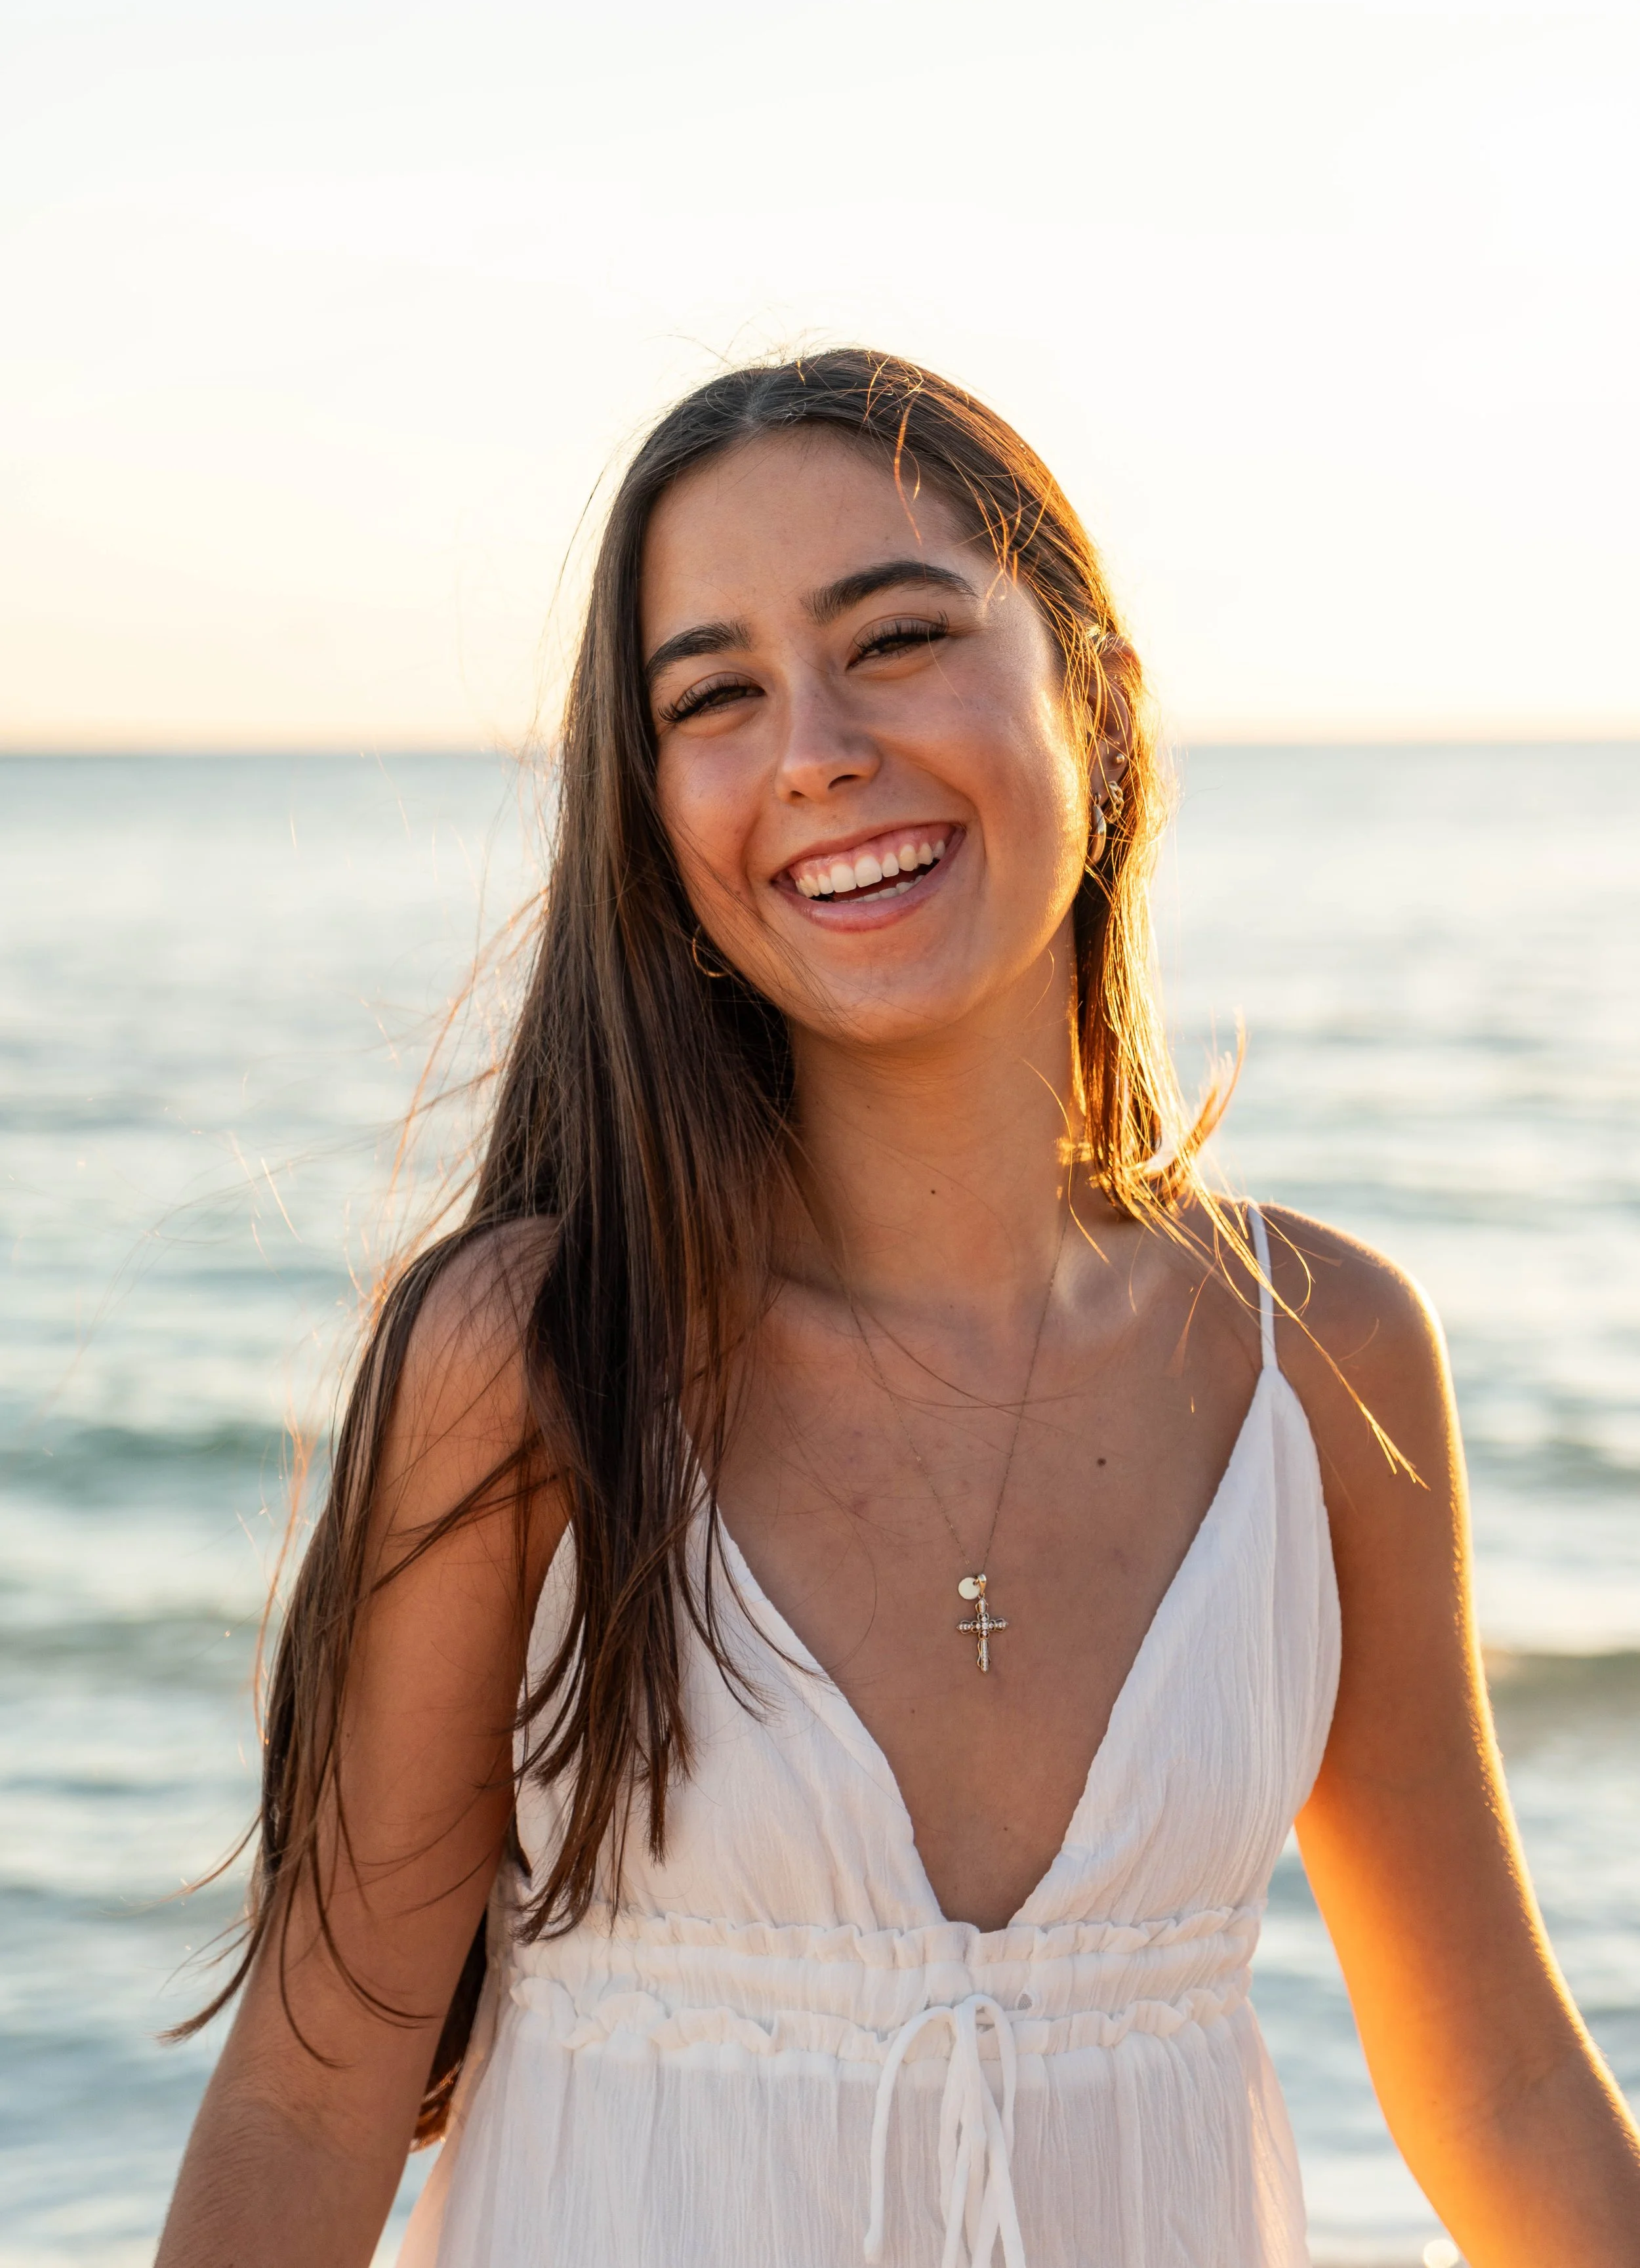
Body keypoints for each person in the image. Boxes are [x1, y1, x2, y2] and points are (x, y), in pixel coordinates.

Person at [156, 351, 1640, 2268]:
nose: (814, 750)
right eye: (715, 695)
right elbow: (313, 2083)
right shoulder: (532, 1356)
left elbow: (1499, 2087)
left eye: (897, 637)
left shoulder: (1322, 1360)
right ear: (657, 819)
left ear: (1089, 693)